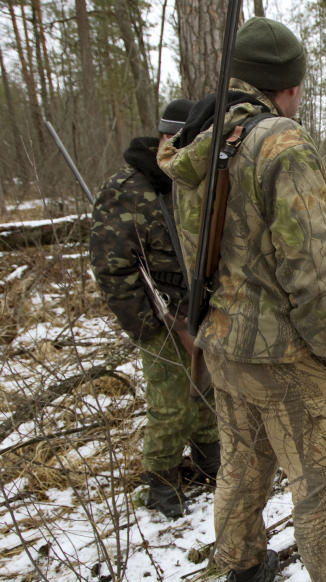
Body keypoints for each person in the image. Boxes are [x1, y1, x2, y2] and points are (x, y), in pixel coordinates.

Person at [157, 17, 326, 582]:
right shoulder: (279, 144)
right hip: (288, 356)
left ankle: (241, 577)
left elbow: (194, 254)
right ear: (284, 87)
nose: (299, 97)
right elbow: (312, 265)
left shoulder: (199, 141)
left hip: (224, 346)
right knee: (321, 484)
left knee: (240, 468)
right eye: (298, 86)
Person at [90, 98, 220, 521]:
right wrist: (152, 326)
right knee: (170, 401)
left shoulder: (198, 180)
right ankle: (162, 482)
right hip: (158, 317)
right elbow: (113, 270)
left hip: (204, 309)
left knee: (207, 390)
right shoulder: (126, 190)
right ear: (165, 137)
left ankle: (209, 461)